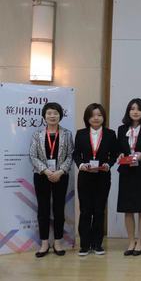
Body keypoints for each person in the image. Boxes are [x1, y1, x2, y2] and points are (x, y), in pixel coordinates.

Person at [29, 102, 74, 257]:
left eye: (55, 113)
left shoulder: (67, 134)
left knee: (59, 209)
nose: (52, 116)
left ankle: (58, 242)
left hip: (61, 176)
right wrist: (47, 171)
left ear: (60, 115)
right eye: (49, 113)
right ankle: (44, 243)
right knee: (43, 209)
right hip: (42, 175)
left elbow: (70, 155)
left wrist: (60, 171)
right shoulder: (37, 134)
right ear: (44, 116)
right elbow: (32, 156)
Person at [73, 103, 118, 256]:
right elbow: (76, 154)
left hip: (103, 176)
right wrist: (81, 165)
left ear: (103, 117)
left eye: (99, 115)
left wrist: (108, 164)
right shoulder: (81, 134)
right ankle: (85, 245)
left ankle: (97, 244)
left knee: (99, 210)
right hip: (85, 176)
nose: (96, 118)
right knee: (85, 211)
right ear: (87, 118)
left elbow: (114, 154)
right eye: (92, 115)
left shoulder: (110, 134)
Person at [116, 98, 141, 256]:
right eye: (132, 108)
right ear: (128, 111)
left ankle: (140, 241)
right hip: (126, 172)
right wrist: (120, 154)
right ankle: (131, 241)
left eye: (139, 109)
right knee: (127, 209)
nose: (135, 111)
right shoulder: (121, 129)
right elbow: (118, 149)